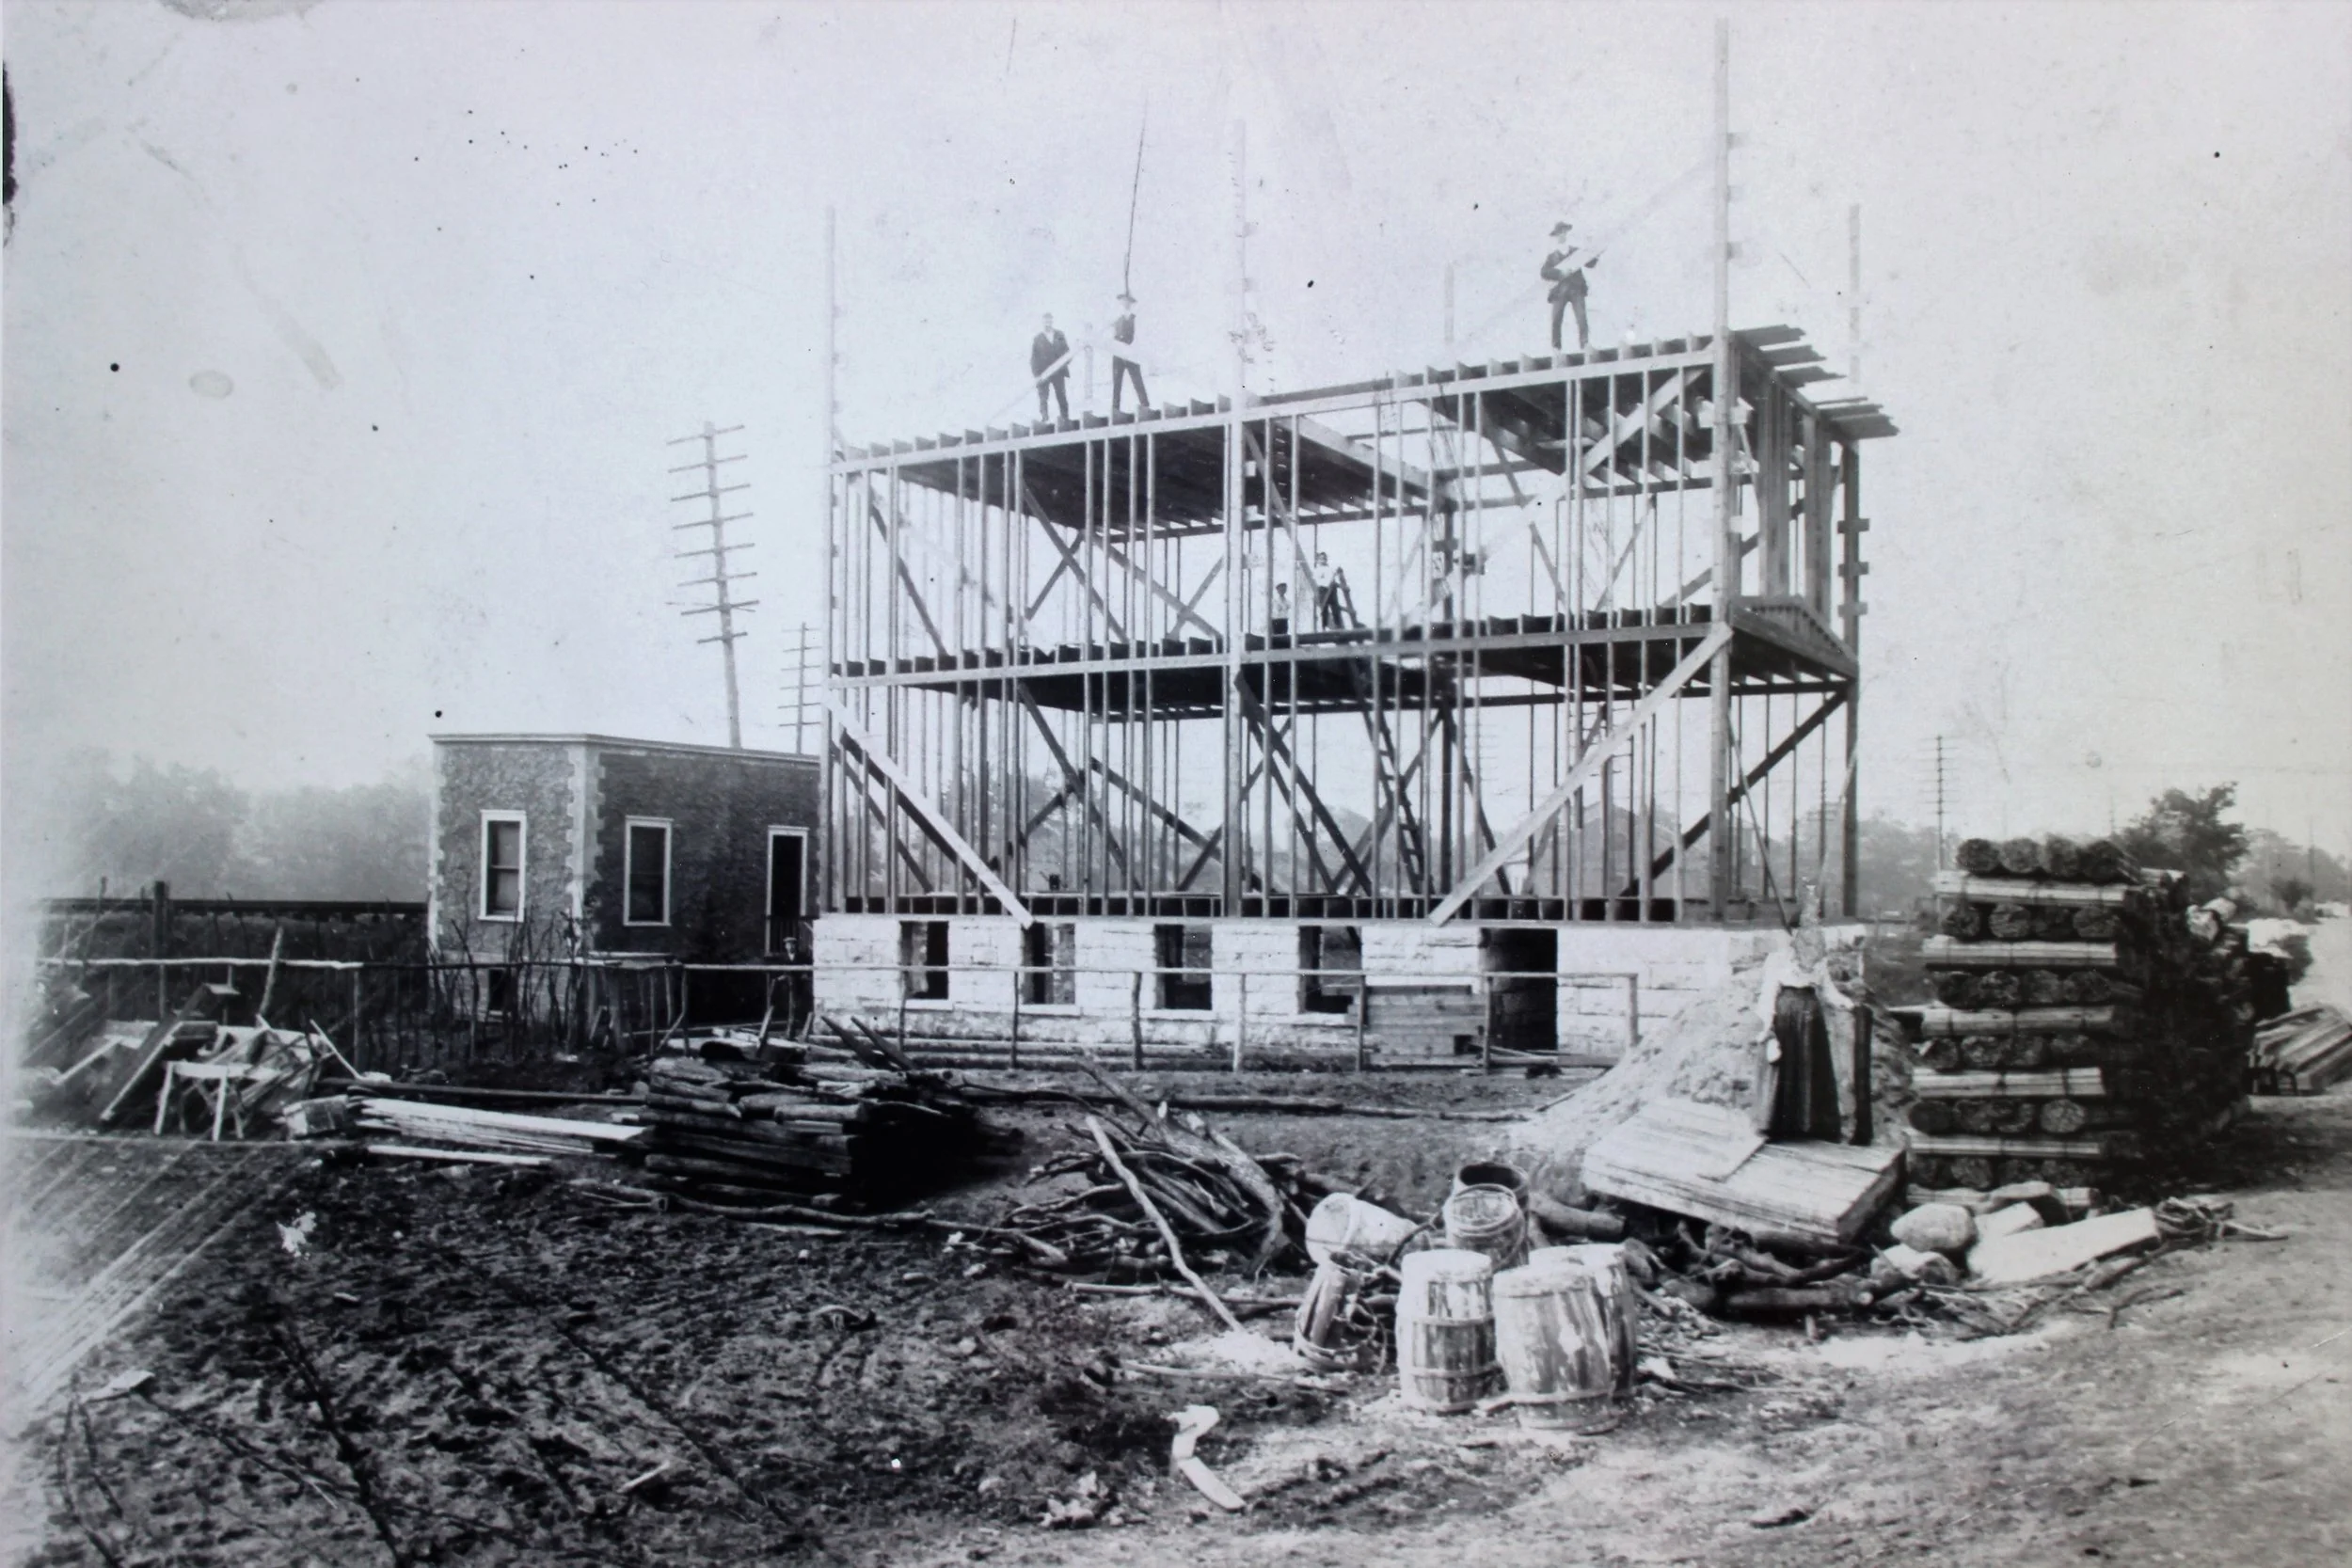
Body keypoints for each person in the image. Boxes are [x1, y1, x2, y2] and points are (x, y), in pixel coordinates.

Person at [1540, 221, 1597, 351]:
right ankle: (1556, 348)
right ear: (1556, 236)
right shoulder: (1552, 257)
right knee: (1556, 320)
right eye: (1559, 233)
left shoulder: (1575, 252)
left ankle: (1584, 344)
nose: (1561, 235)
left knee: (1581, 317)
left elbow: (1590, 263)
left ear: (1566, 233)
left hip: (1576, 289)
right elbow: (1544, 272)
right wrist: (1560, 273)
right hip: (1559, 292)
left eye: (1563, 232)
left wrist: (1596, 253)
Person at [1110, 292, 1152, 415]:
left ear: (1131, 303)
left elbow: (1138, 336)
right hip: (1118, 353)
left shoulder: (1135, 317)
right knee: (1116, 383)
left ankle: (1145, 405)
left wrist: (1135, 350)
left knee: (1137, 380)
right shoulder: (1116, 318)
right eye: (1123, 301)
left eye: (1127, 301)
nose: (1125, 303)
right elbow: (1112, 336)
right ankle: (1115, 409)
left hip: (1131, 352)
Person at [1030, 314, 1072, 422]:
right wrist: (1037, 375)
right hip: (1044, 372)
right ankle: (1045, 418)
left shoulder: (1059, 335)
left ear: (1052, 322)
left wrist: (1064, 363)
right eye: (1045, 322)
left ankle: (1065, 417)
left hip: (1058, 371)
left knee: (1061, 395)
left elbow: (1067, 351)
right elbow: (1034, 358)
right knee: (1043, 397)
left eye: (1049, 321)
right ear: (1042, 323)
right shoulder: (1037, 339)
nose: (1047, 324)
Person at [1309, 551, 1343, 629]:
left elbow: (1334, 577)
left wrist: (1338, 572)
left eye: (1324, 558)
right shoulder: (1316, 570)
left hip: (1332, 590)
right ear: (1318, 560)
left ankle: (1338, 625)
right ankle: (1323, 627)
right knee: (1324, 608)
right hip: (1323, 590)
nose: (1323, 560)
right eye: (1321, 558)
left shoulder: (1330, 569)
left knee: (1335, 607)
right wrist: (1327, 583)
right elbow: (1318, 581)